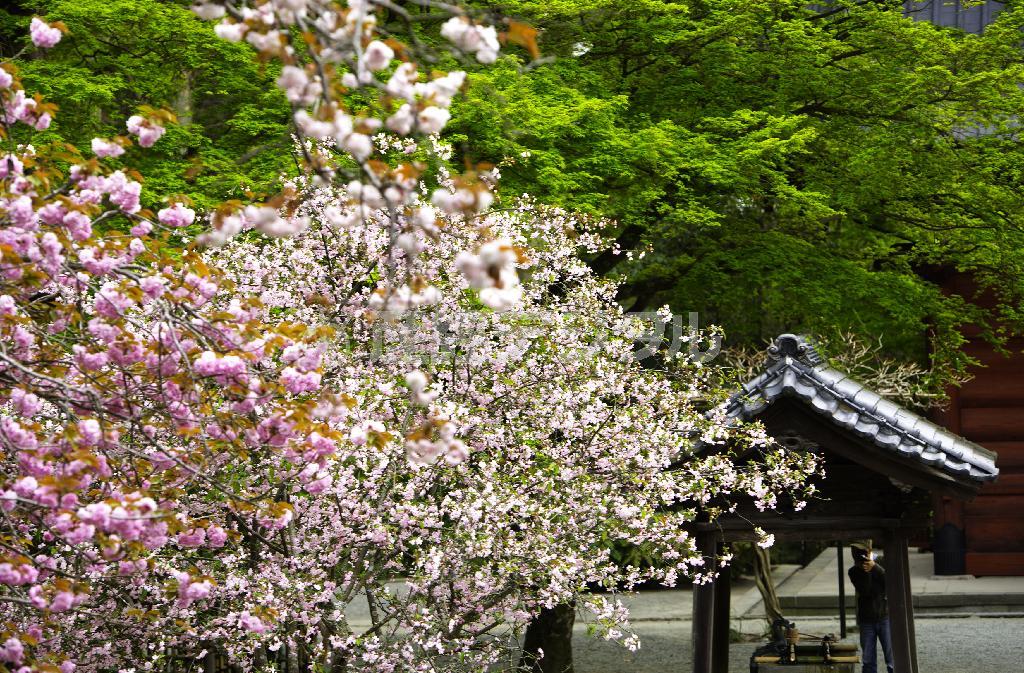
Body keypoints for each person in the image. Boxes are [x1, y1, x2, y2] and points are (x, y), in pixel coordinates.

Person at [848, 544, 894, 673]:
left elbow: (890, 582)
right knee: (868, 659)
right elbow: (866, 590)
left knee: (891, 658)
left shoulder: (881, 562)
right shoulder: (854, 571)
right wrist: (867, 571)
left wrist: (875, 568)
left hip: (885, 615)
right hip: (866, 619)